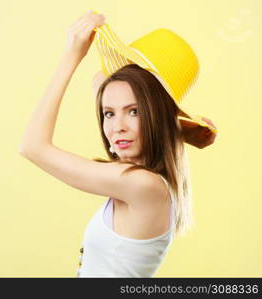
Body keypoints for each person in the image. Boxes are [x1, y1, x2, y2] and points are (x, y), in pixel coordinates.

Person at [19, 10, 217, 277]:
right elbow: (102, 83)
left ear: (157, 117)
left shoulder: (141, 184)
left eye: (134, 111)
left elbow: (32, 147)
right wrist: (175, 129)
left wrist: (72, 55)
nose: (117, 127)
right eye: (108, 114)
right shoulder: (151, 183)